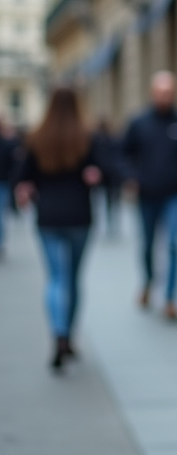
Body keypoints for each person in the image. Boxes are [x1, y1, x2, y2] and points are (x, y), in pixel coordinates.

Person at [14, 89, 110, 370]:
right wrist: (94, 175)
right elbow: (103, 172)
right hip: (80, 215)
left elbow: (23, 177)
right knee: (73, 278)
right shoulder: (87, 138)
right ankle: (69, 336)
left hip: (49, 217)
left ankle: (58, 333)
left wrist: (26, 190)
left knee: (56, 279)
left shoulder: (37, 138)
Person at [121, 71, 177, 320]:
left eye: (169, 93)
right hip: (147, 195)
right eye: (160, 93)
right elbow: (122, 154)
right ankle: (148, 281)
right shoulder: (139, 123)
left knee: (173, 244)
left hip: (175, 195)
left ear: (175, 94)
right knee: (147, 245)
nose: (164, 97)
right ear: (152, 93)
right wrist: (131, 177)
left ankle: (170, 299)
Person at [93, 117, 125, 237]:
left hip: (109, 175)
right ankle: (110, 223)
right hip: (108, 175)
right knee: (110, 200)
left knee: (108, 200)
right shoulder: (100, 140)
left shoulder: (106, 140)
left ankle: (110, 223)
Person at [0, 118, 21, 258]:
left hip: (4, 182)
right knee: (1, 214)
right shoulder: (8, 144)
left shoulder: (8, 144)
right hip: (4, 182)